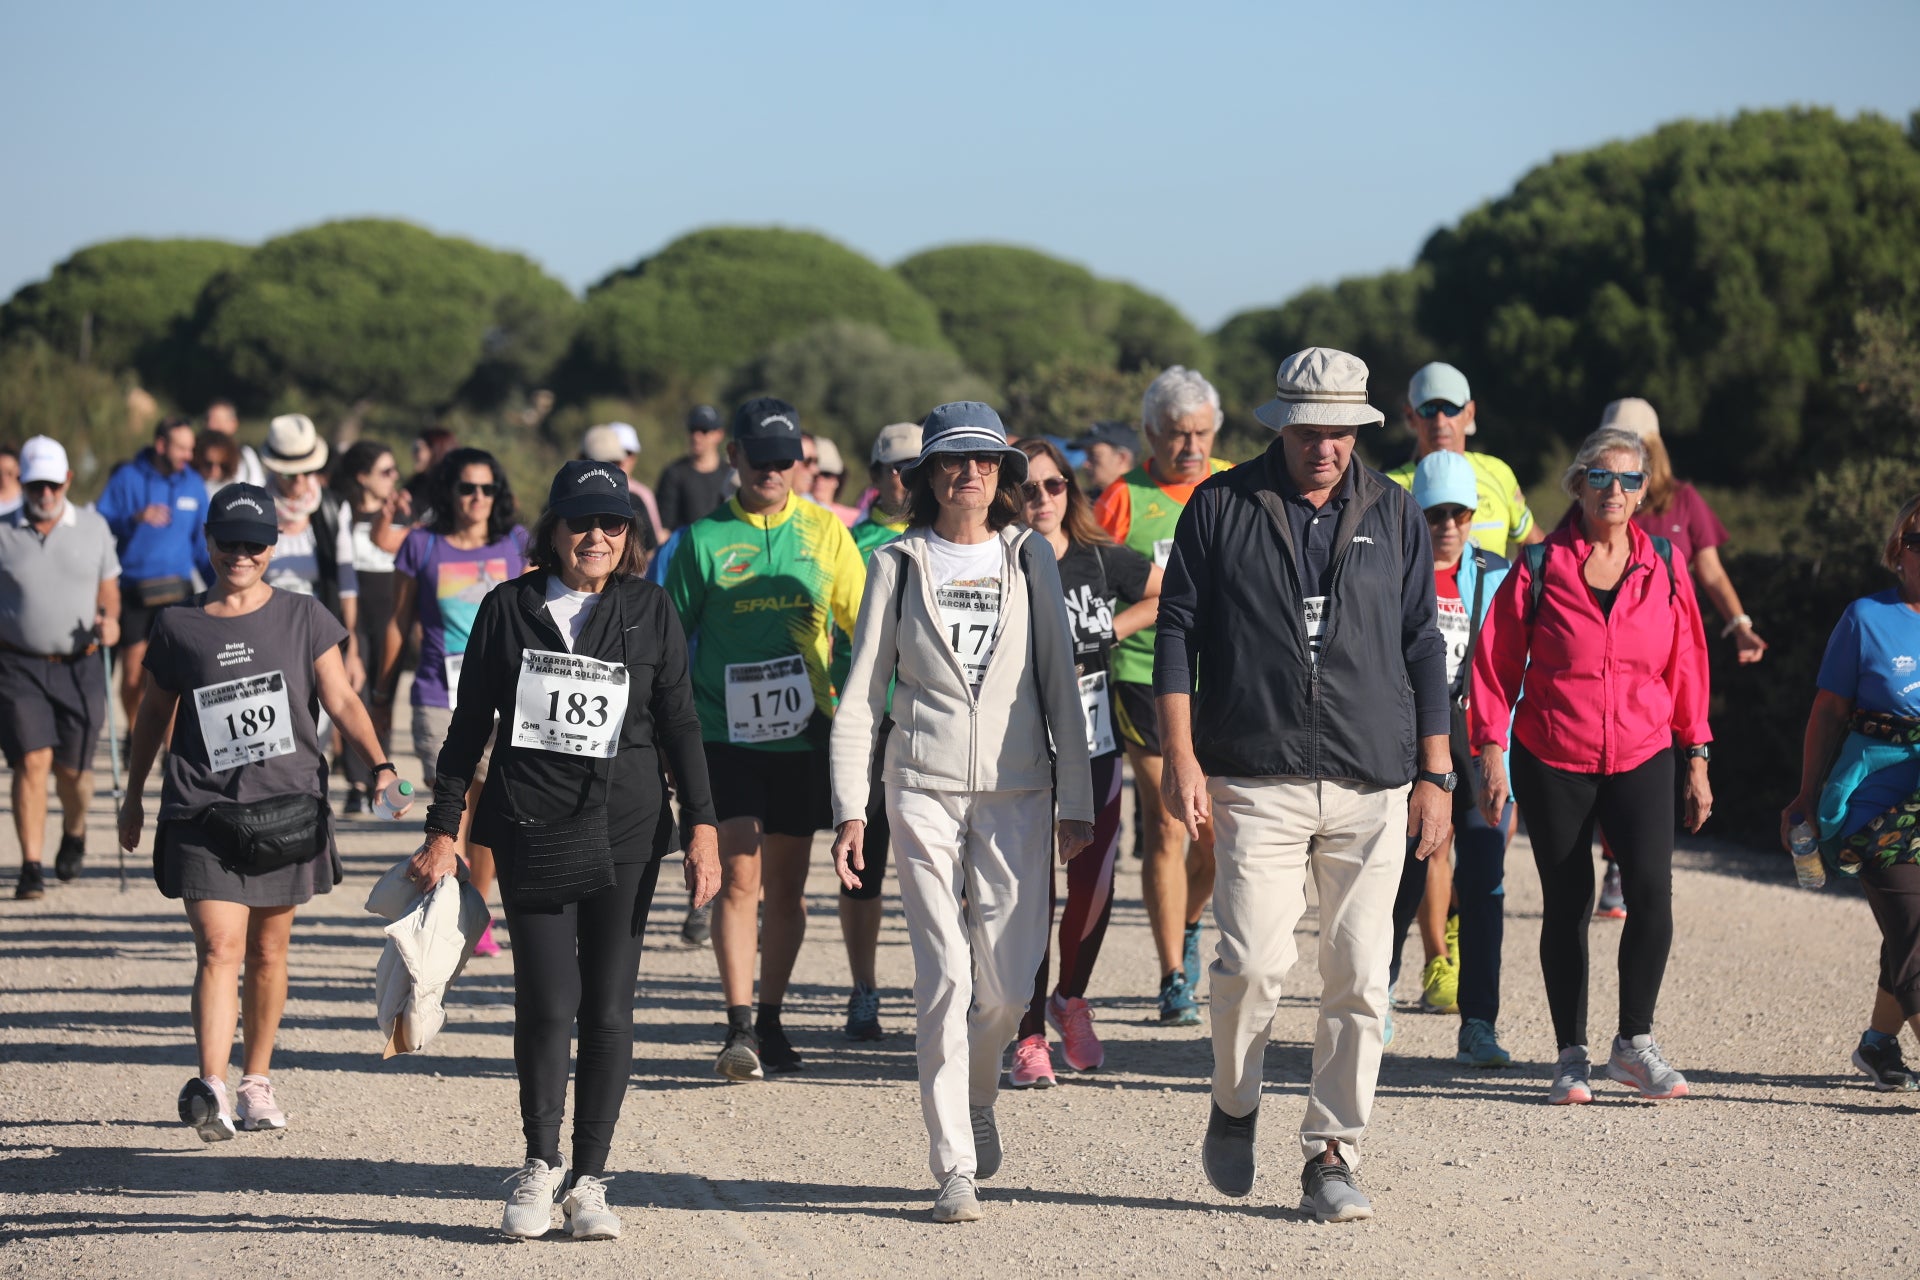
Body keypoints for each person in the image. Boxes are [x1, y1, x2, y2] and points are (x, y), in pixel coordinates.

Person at [1157, 347, 1451, 1223]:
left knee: (1362, 971)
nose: (1327, 446)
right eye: (1311, 429)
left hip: (1372, 774)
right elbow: (1177, 632)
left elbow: (1423, 646)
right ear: (1281, 423)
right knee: (1251, 963)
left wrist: (1435, 771)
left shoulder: (1394, 511)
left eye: (1344, 431)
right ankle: (1235, 1101)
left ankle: (1331, 1151)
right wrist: (1181, 756)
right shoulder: (1220, 504)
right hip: (1255, 767)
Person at [405, 460, 721, 1241]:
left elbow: (680, 721)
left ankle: (591, 1180)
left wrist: (703, 825)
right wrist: (444, 829)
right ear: (550, 530)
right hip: (532, 827)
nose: (597, 536)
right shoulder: (507, 608)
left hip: (629, 828)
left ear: (629, 536)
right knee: (549, 1001)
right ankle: (539, 1167)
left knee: (610, 1007)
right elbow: (468, 725)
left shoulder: (650, 609)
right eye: (581, 521)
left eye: (613, 524)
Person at [830, 401, 1094, 1222]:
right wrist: (851, 810)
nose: (969, 473)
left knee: (1009, 987)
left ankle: (981, 1091)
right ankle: (953, 1164)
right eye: (952, 461)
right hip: (922, 786)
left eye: (985, 461)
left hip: (1021, 791)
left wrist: (1076, 798)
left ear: (1004, 476)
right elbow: (861, 698)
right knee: (944, 974)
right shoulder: (896, 565)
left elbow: (1061, 684)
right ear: (926, 475)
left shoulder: (1030, 559)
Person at [116, 483, 407, 1142]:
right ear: (209, 542)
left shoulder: (305, 617)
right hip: (204, 811)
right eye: (229, 541)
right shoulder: (177, 624)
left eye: (254, 542)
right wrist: (133, 795)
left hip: (287, 810)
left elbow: (341, 699)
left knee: (270, 953)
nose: (240, 554)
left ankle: (256, 1082)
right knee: (220, 947)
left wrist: (382, 768)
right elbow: (152, 716)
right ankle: (210, 1085)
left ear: (274, 546)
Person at [1471, 425, 1713, 1105]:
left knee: (1652, 891)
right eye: (1600, 477)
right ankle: (1570, 1055)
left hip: (1642, 749)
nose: (1615, 490)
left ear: (1643, 493)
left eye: (1629, 479)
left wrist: (1696, 757)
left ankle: (1633, 1045)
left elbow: (1688, 663)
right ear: (1577, 485)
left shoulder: (1664, 564)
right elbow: (1493, 664)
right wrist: (1492, 750)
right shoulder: (1540, 567)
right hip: (1554, 754)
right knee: (1569, 901)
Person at [665, 397, 864, 1080]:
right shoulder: (702, 540)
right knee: (739, 879)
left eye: (787, 460)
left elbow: (861, 623)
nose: (773, 472)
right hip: (725, 732)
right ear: (735, 458)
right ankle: (739, 1026)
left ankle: (773, 1019)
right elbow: (670, 638)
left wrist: (856, 699)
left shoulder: (827, 532)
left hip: (806, 734)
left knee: (788, 889)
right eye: (761, 459)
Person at [1005, 437, 1159, 1087]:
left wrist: (1109, 631)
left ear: (1071, 490)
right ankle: (1027, 1034)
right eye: (1028, 488)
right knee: (1030, 897)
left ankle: (1071, 999)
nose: (1041, 499)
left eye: (1054, 485)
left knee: (1094, 886)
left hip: (1094, 745)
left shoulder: (1099, 560)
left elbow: (1167, 593)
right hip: (1023, 753)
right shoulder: (1001, 561)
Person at [1585, 397, 1766, 919]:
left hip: (1664, 657)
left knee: (1654, 756)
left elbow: (1709, 570)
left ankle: (1630, 863)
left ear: (1654, 449)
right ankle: (1615, 858)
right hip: (1605, 655)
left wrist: (1740, 625)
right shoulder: (1599, 497)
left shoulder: (1684, 503)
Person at [1092, 365, 1232, 1026]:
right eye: (1177, 435)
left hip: (1223, 679)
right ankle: (1173, 974)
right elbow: (1092, 581)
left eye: (1201, 433)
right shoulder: (1123, 497)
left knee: (1215, 842)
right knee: (1169, 820)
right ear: (1151, 432)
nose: (1191, 447)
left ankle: (1190, 925)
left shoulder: (1237, 484)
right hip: (1143, 674)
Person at [1781, 495, 1920, 1092]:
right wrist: (1807, 796)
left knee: (1908, 931)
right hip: (1874, 803)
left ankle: (1878, 1044)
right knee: (1915, 934)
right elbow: (1828, 710)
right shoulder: (1867, 618)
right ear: (1898, 551)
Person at [1384, 451, 1517, 1067]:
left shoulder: (1497, 574)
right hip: (1408, 737)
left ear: (1473, 516)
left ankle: (1479, 1023)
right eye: (1435, 513)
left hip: (1478, 737)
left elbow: (1514, 668)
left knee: (1483, 876)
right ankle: (1375, 998)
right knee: (1403, 875)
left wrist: (1500, 753)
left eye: (1459, 514)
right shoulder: (1393, 568)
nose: (1447, 525)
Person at [377, 448, 528, 957]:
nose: (477, 498)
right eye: (467, 488)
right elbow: (399, 622)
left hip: (505, 695)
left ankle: (476, 911)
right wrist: (382, 687)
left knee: (489, 814)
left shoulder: (517, 544)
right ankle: (451, 910)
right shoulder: (422, 546)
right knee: (454, 806)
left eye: (487, 489)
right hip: (439, 694)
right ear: (450, 493)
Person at [0, 438, 120, 897]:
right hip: (18, 664)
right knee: (31, 762)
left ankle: (74, 828)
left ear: (67, 481)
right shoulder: (4, 530)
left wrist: (108, 622)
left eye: (52, 484)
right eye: (35, 485)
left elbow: (109, 590)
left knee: (74, 773)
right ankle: (30, 864)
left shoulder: (94, 528)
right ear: (23, 484)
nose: (44, 493)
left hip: (81, 665)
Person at [833, 421, 922, 1040]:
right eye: (892, 467)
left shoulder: (952, 536)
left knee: (946, 867)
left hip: (931, 724)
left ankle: (956, 987)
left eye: (916, 465)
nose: (904, 478)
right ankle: (864, 990)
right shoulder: (852, 543)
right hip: (872, 721)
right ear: (874, 476)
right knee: (865, 864)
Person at [96, 417, 211, 726]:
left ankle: (169, 747)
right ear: (161, 445)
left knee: (171, 676)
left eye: (191, 448)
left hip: (177, 590)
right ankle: (136, 731)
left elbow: (202, 546)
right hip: (134, 589)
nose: (189, 455)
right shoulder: (127, 478)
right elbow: (98, 523)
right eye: (182, 448)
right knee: (134, 675)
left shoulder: (194, 485)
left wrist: (223, 585)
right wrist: (133, 518)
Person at [1385, 362, 1541, 559]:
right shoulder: (1389, 488)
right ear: (1410, 416)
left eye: (1450, 409)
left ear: (1469, 413)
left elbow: (1534, 545)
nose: (1440, 422)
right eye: (1428, 409)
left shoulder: (1498, 473)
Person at [259, 416, 363, 690]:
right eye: (290, 473)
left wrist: (351, 649)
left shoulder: (332, 507)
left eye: (309, 471)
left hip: (318, 634)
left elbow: (346, 580)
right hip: (263, 633)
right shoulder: (255, 508)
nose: (300, 480)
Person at [333, 442, 403, 814]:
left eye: (395, 471)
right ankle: (355, 783)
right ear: (363, 477)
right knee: (351, 693)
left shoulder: (401, 515)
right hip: (354, 614)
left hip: (389, 615)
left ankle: (381, 777)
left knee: (383, 698)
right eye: (386, 471)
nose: (394, 478)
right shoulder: (342, 512)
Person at [582, 423, 664, 546]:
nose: (624, 461)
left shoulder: (638, 498)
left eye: (629, 453)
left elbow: (651, 547)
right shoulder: (565, 497)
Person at [654, 405, 733, 532]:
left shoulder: (730, 474)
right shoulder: (673, 473)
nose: (696, 437)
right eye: (693, 430)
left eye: (704, 430)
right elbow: (664, 528)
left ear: (719, 434)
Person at [204, 400, 266, 488]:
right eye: (208, 420)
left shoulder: (246, 456)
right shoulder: (195, 457)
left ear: (233, 424)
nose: (210, 426)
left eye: (216, 421)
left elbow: (257, 488)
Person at [1073, 420, 1138, 500]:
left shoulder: (1147, 504)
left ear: (1122, 458)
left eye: (1094, 455)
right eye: (1087, 456)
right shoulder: (1085, 503)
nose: (1085, 464)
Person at [403, 427, 457, 514]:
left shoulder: (453, 488)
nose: (413, 454)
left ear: (436, 450)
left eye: (418, 449)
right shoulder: (415, 485)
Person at [192, 431, 240, 496]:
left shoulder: (235, 493)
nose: (214, 470)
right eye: (208, 464)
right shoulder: (186, 487)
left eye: (223, 466)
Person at [0, 443, 22, 518]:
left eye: (9, 472)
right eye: (0, 472)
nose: (3, 477)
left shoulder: (27, 498)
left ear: (18, 470)